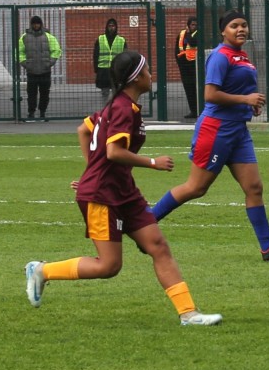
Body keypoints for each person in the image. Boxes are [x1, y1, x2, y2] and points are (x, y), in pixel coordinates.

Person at [24, 50, 222, 326]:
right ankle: (42, 271)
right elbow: (114, 152)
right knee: (109, 266)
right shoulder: (121, 109)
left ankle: (189, 314)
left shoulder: (118, 105)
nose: (152, 75)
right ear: (136, 78)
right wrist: (152, 162)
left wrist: (91, 169)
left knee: (158, 246)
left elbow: (83, 129)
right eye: (148, 70)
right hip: (103, 195)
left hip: (123, 191)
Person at [149, 10, 269, 261]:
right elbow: (210, 94)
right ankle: (146, 221)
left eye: (244, 25)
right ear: (223, 31)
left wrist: (249, 104)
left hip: (238, 130)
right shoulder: (220, 56)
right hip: (216, 129)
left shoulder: (241, 55)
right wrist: (245, 98)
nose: (241, 29)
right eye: (234, 26)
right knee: (196, 188)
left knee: (254, 187)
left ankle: (267, 247)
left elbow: (238, 88)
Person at [18, 14, 62, 121]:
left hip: (45, 71)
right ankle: (31, 113)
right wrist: (25, 63)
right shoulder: (24, 37)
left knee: (44, 94)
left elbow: (56, 50)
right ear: (31, 24)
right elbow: (19, 52)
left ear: (41, 24)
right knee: (31, 94)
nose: (36, 25)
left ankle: (42, 113)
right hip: (31, 71)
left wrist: (49, 63)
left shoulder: (49, 37)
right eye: (34, 23)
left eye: (38, 23)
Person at [93, 18, 125, 98]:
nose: (111, 28)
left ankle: (115, 109)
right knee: (104, 93)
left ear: (116, 27)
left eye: (113, 26)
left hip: (116, 70)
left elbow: (125, 56)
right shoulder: (100, 39)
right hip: (103, 70)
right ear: (107, 27)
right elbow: (95, 55)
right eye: (110, 26)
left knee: (117, 93)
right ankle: (106, 109)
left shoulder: (121, 40)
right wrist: (96, 68)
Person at [176, 17, 199, 119]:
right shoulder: (181, 34)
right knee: (188, 89)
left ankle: (200, 110)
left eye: (195, 25)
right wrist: (180, 64)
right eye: (192, 25)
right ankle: (193, 111)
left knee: (196, 88)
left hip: (195, 66)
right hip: (184, 66)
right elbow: (177, 50)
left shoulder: (198, 34)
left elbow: (193, 42)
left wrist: (189, 33)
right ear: (188, 25)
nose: (194, 26)